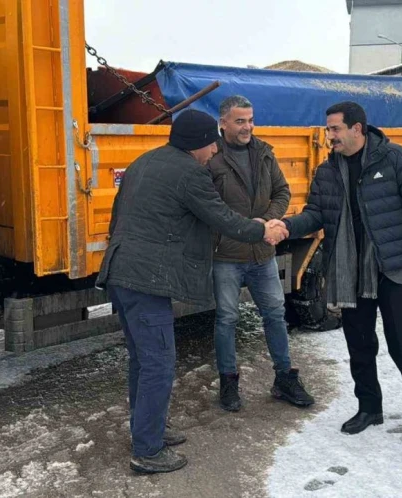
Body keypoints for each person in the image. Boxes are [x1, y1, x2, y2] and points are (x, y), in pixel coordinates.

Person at [96, 109, 288, 474]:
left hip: (122, 272)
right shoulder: (191, 173)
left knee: (143, 359)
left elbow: (119, 215)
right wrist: (262, 230)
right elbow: (221, 218)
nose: (215, 150)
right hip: (146, 279)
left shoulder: (144, 162)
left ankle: (147, 430)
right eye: (211, 143)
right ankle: (147, 451)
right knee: (159, 363)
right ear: (198, 143)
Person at [274, 101, 402, 444]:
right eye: (328, 129)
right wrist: (286, 226)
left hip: (392, 267)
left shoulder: (395, 160)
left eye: (334, 129)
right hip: (349, 270)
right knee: (359, 344)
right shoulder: (327, 171)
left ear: (357, 129)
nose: (329, 135)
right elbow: (316, 214)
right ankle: (369, 407)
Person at [208, 95, 315, 412]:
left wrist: (269, 220)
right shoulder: (212, 158)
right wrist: (250, 226)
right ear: (223, 122)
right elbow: (210, 207)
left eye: (250, 120)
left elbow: (282, 191)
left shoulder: (264, 153)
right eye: (240, 121)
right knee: (227, 318)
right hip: (226, 254)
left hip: (262, 253)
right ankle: (228, 383)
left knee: (275, 315)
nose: (247, 127)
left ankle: (284, 378)